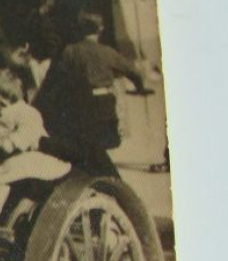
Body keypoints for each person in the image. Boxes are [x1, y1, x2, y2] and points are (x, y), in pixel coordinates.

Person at [35, 10, 153, 176]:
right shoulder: (106, 51)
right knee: (100, 142)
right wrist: (139, 87)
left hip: (81, 103)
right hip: (105, 103)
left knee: (85, 141)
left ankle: (99, 174)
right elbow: (132, 72)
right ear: (100, 29)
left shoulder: (71, 51)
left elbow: (55, 78)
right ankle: (107, 175)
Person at [0, 69, 71, 220]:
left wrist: (11, 142)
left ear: (3, 101)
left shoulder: (25, 112)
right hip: (7, 158)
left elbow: (28, 132)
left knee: (7, 176)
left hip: (33, 159)